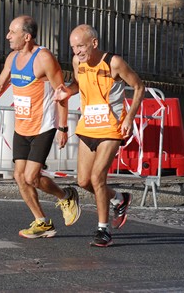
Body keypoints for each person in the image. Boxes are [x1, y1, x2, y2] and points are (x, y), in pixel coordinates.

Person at [0, 15, 81, 239]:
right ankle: (42, 222)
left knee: (32, 176)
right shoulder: (12, 57)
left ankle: (65, 196)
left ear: (27, 36)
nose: (7, 36)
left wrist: (63, 128)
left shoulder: (44, 58)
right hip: (22, 127)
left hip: (43, 126)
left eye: (12, 32)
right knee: (19, 176)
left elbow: (61, 93)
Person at [54, 24, 145, 247]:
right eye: (73, 47)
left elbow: (139, 87)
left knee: (97, 178)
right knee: (84, 181)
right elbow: (77, 84)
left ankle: (103, 230)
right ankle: (118, 198)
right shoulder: (77, 62)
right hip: (88, 126)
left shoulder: (114, 63)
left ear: (94, 43)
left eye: (81, 46)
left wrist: (129, 117)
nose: (77, 52)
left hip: (111, 127)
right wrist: (67, 91)